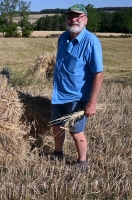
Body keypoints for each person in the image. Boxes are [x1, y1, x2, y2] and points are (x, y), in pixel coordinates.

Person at [50, 4, 104, 167]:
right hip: (59, 93)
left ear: (85, 20)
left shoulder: (91, 42)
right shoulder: (63, 38)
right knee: (57, 126)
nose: (73, 20)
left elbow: (98, 74)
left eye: (78, 16)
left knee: (76, 131)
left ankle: (82, 162)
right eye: (70, 17)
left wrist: (92, 102)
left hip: (78, 97)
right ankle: (58, 153)